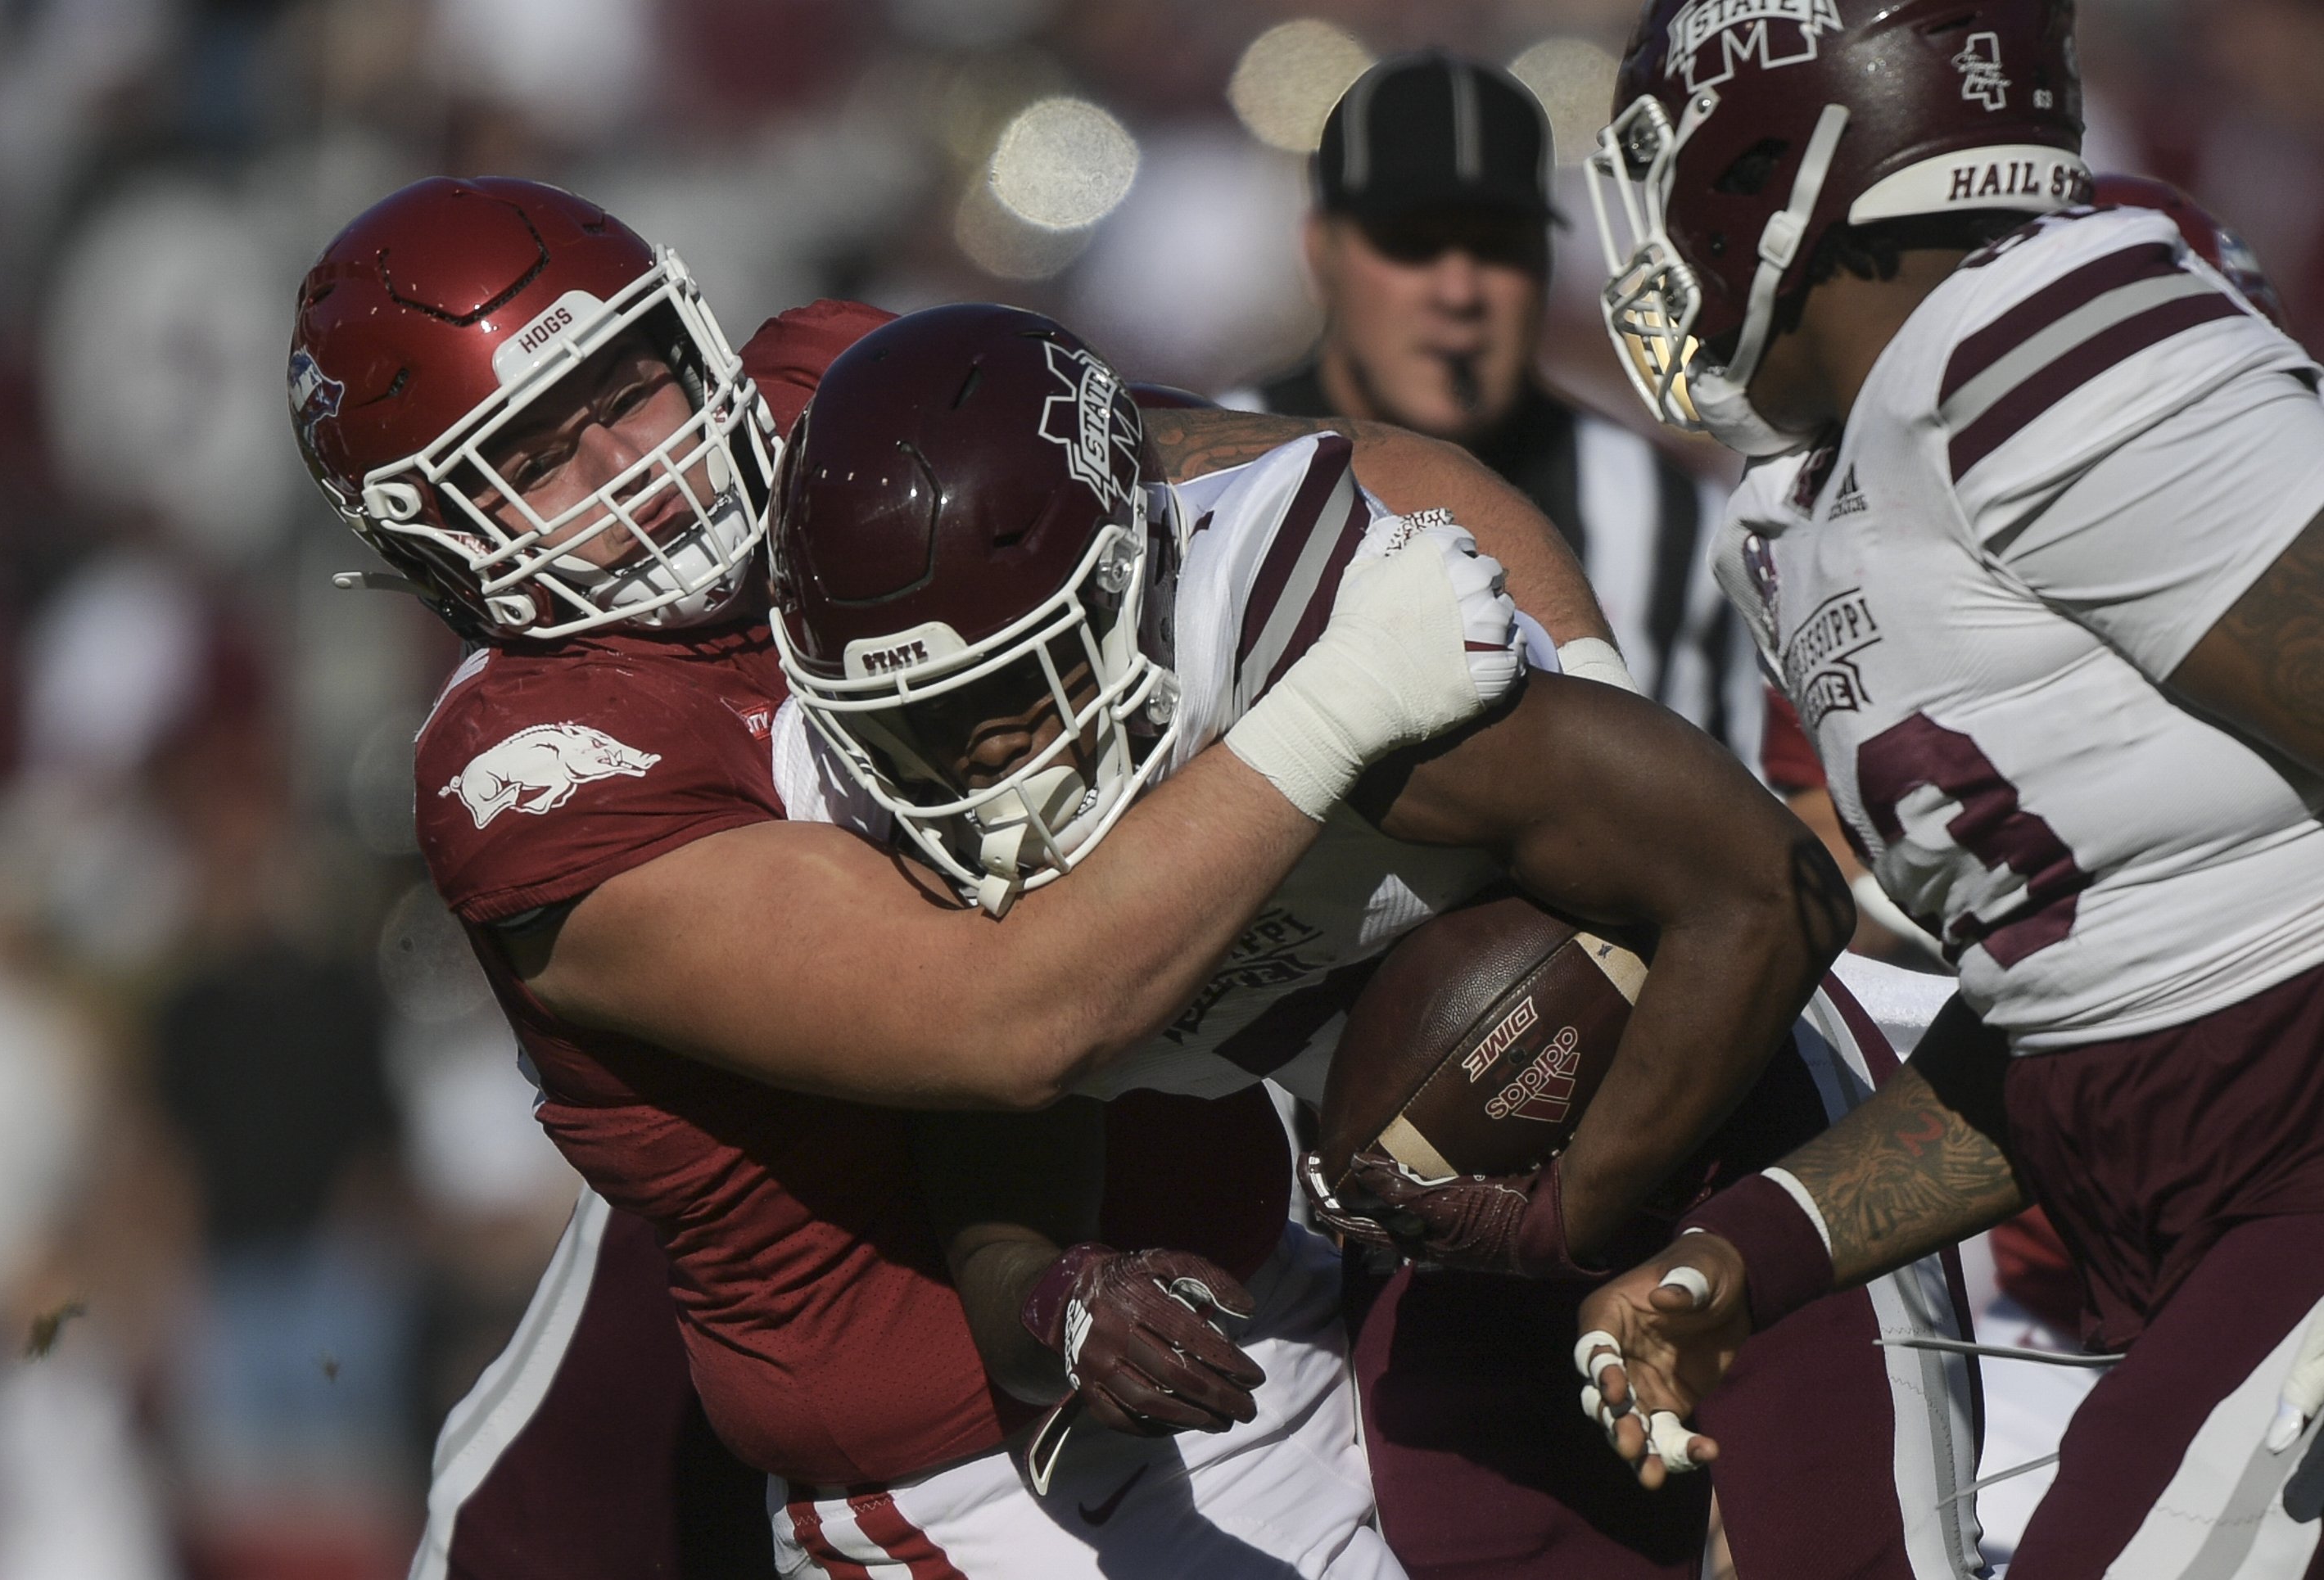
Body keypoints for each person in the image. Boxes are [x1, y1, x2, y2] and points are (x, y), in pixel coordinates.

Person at [289, 177, 1597, 1577]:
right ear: (431, 540)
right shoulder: (535, 778)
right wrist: (1338, 703)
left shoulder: (832, 404)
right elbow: (1016, 1018)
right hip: (993, 1475)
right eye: (539, 456)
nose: (629, 463)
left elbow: (1378, 484)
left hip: (1276, 1280)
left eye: (632, 389)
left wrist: (1602, 746)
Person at [764, 302, 1986, 1580]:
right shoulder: (907, 844)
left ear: (1128, 582)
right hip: (1447, 1240)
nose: (980, 763)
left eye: (1014, 686)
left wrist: (1570, 1213)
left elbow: (1764, 887)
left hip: (1735, 1137)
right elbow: (997, 1221)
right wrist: (1069, 1308)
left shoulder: (1307, 631)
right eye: (920, 718)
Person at [1568, 4, 2324, 1573]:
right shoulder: (1819, 506)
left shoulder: (2020, 345)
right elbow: (2075, 1006)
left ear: (1775, 162)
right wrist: (1752, 1246)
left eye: (1673, 176)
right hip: (2204, 1203)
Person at [1223, 50, 1761, 765]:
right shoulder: (1204, 483)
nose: (1458, 293)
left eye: (1498, 248)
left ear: (1546, 265)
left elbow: (1728, 826)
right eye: (1410, 246)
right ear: (1319, 251)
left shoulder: (1670, 521)